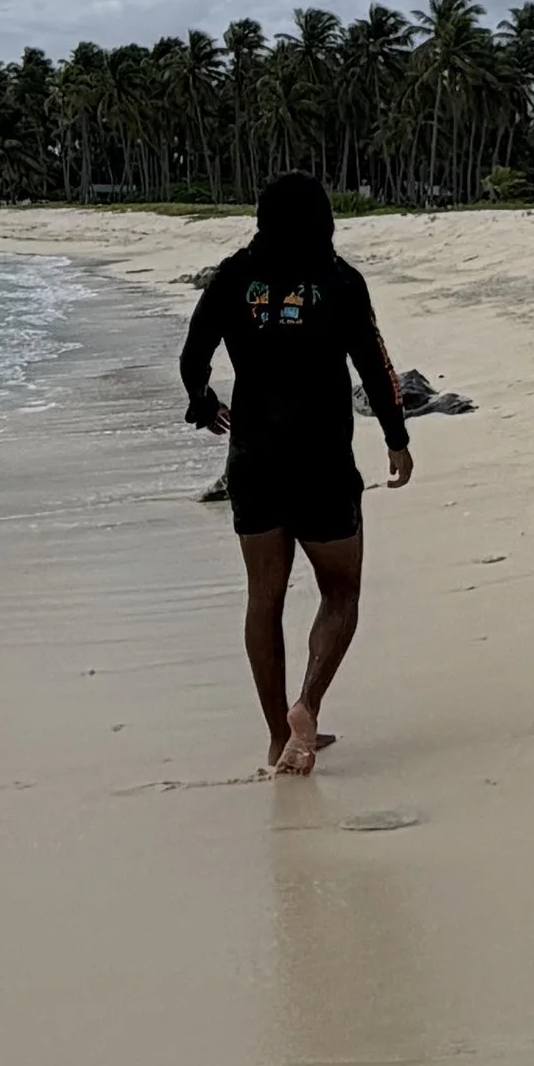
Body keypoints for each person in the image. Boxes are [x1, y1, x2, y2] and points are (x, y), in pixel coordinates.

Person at [179, 171, 412, 773]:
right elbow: (375, 364)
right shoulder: (340, 281)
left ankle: (276, 733)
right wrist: (396, 437)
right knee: (341, 591)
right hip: (323, 461)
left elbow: (192, 356)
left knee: (264, 601)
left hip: (255, 462)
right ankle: (306, 705)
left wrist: (203, 405)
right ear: (324, 219)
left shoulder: (232, 277)